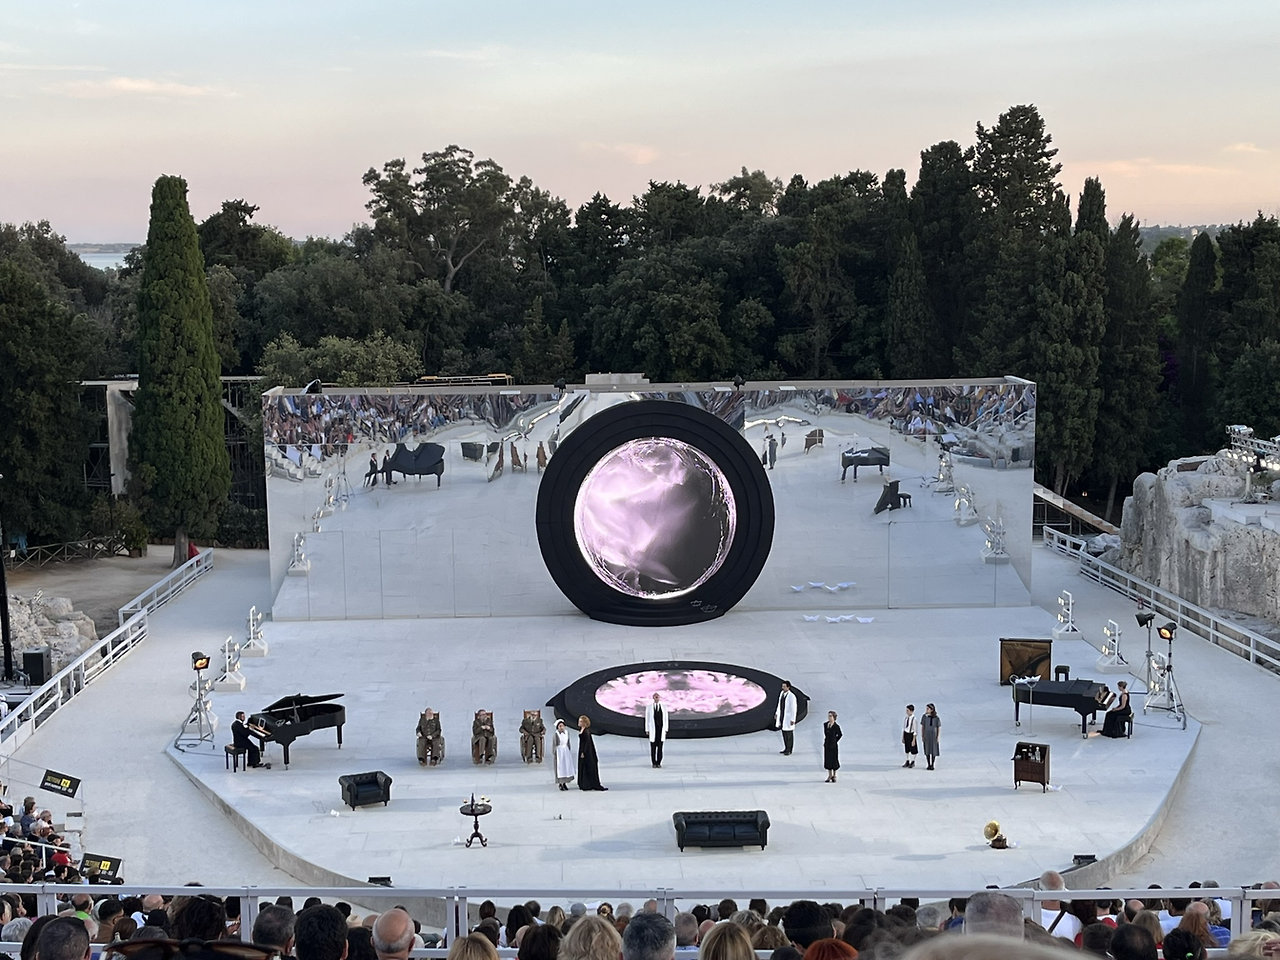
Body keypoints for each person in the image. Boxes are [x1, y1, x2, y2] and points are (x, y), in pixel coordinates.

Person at [577, 716, 607, 791]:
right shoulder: (582, 729)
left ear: (584, 723)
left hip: (587, 751)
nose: (579, 722)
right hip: (582, 749)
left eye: (581, 721)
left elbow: (587, 742)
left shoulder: (586, 731)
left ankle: (589, 784)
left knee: (588, 765)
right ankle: (584, 783)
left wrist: (583, 752)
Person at [644, 693, 668, 768]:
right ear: (653, 698)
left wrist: (666, 729)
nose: (656, 698)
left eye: (657, 697)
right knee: (653, 747)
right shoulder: (649, 707)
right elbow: (647, 719)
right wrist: (647, 729)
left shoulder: (664, 707)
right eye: (655, 697)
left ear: (659, 698)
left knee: (660, 747)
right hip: (653, 729)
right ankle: (654, 762)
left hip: (661, 729)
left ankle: (659, 762)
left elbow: (666, 719)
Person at [553, 720, 576, 791]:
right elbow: (554, 744)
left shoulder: (566, 733)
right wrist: (555, 753)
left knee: (566, 767)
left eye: (562, 726)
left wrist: (569, 750)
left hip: (565, 751)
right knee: (560, 767)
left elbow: (568, 742)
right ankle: (560, 783)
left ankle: (565, 782)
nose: (561, 727)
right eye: (560, 726)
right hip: (559, 751)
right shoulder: (556, 734)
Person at [776, 682, 798, 756]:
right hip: (783, 715)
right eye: (782, 686)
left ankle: (789, 749)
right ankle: (786, 748)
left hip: (788, 717)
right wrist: (777, 713)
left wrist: (793, 719)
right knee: (784, 733)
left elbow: (793, 708)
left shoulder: (792, 696)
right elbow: (779, 704)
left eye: (784, 686)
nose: (783, 688)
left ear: (788, 687)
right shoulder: (781, 694)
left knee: (789, 734)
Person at [920, 704, 941, 771]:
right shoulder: (924, 717)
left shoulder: (936, 718)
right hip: (927, 735)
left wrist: (938, 736)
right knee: (927, 749)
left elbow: (938, 727)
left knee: (933, 749)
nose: (926, 710)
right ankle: (928, 764)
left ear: (932, 710)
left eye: (928, 709)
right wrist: (922, 735)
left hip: (933, 735)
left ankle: (933, 764)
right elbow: (923, 726)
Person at [822, 712, 842, 783]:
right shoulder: (825, 725)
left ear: (834, 717)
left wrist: (835, 740)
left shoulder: (836, 726)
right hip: (827, 744)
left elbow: (840, 734)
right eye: (829, 716)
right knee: (828, 759)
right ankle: (829, 774)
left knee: (834, 759)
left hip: (833, 745)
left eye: (830, 716)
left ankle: (834, 775)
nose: (829, 717)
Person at [901, 704, 918, 768]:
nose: (907, 712)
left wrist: (914, 739)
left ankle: (913, 761)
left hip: (911, 734)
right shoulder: (906, 718)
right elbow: (904, 727)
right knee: (907, 748)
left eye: (908, 710)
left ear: (911, 711)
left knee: (913, 749)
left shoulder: (914, 719)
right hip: (906, 734)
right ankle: (907, 760)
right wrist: (903, 736)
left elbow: (915, 730)